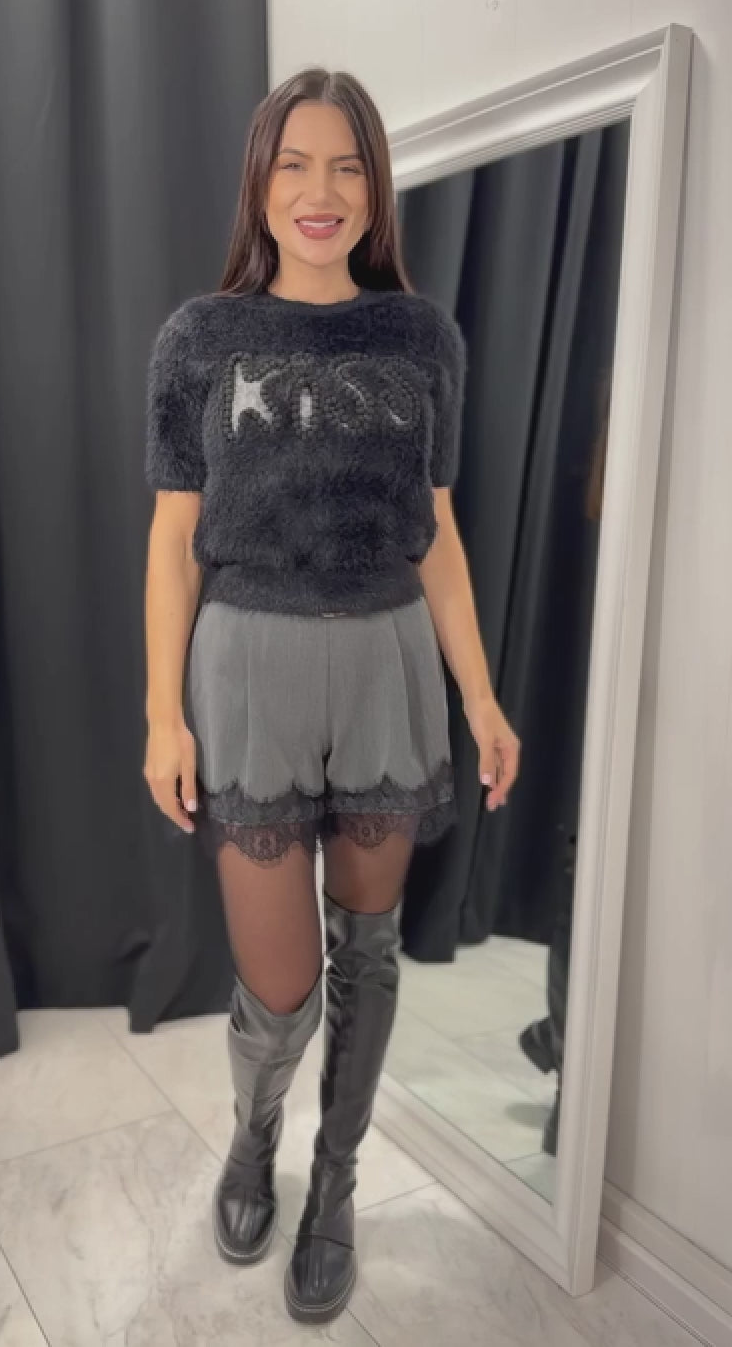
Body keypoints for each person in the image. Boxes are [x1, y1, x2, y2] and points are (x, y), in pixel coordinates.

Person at [142, 66, 520, 1328]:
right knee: (282, 987)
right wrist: (161, 712)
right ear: (261, 180)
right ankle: (255, 1137)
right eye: (296, 163)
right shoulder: (199, 339)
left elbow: (440, 536)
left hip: (388, 663)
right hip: (245, 666)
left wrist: (481, 697)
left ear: (375, 187)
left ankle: (336, 1183)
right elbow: (172, 540)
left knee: (369, 952)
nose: (322, 190)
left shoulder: (421, 339)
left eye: (347, 164)